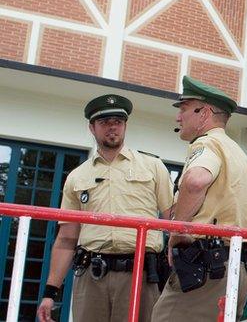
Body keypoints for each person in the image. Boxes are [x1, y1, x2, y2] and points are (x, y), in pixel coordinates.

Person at [37, 94, 174, 322]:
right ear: (92, 127)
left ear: (125, 125)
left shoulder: (153, 167)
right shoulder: (77, 176)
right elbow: (66, 239)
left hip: (139, 275)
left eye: (118, 122)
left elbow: (174, 220)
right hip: (92, 276)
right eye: (104, 122)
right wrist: (50, 293)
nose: (112, 128)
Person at [152, 76, 247, 322]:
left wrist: (177, 232)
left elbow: (195, 181)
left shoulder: (207, 143)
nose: (178, 117)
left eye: (184, 109)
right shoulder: (242, 159)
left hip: (205, 267)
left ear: (204, 113)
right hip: (235, 266)